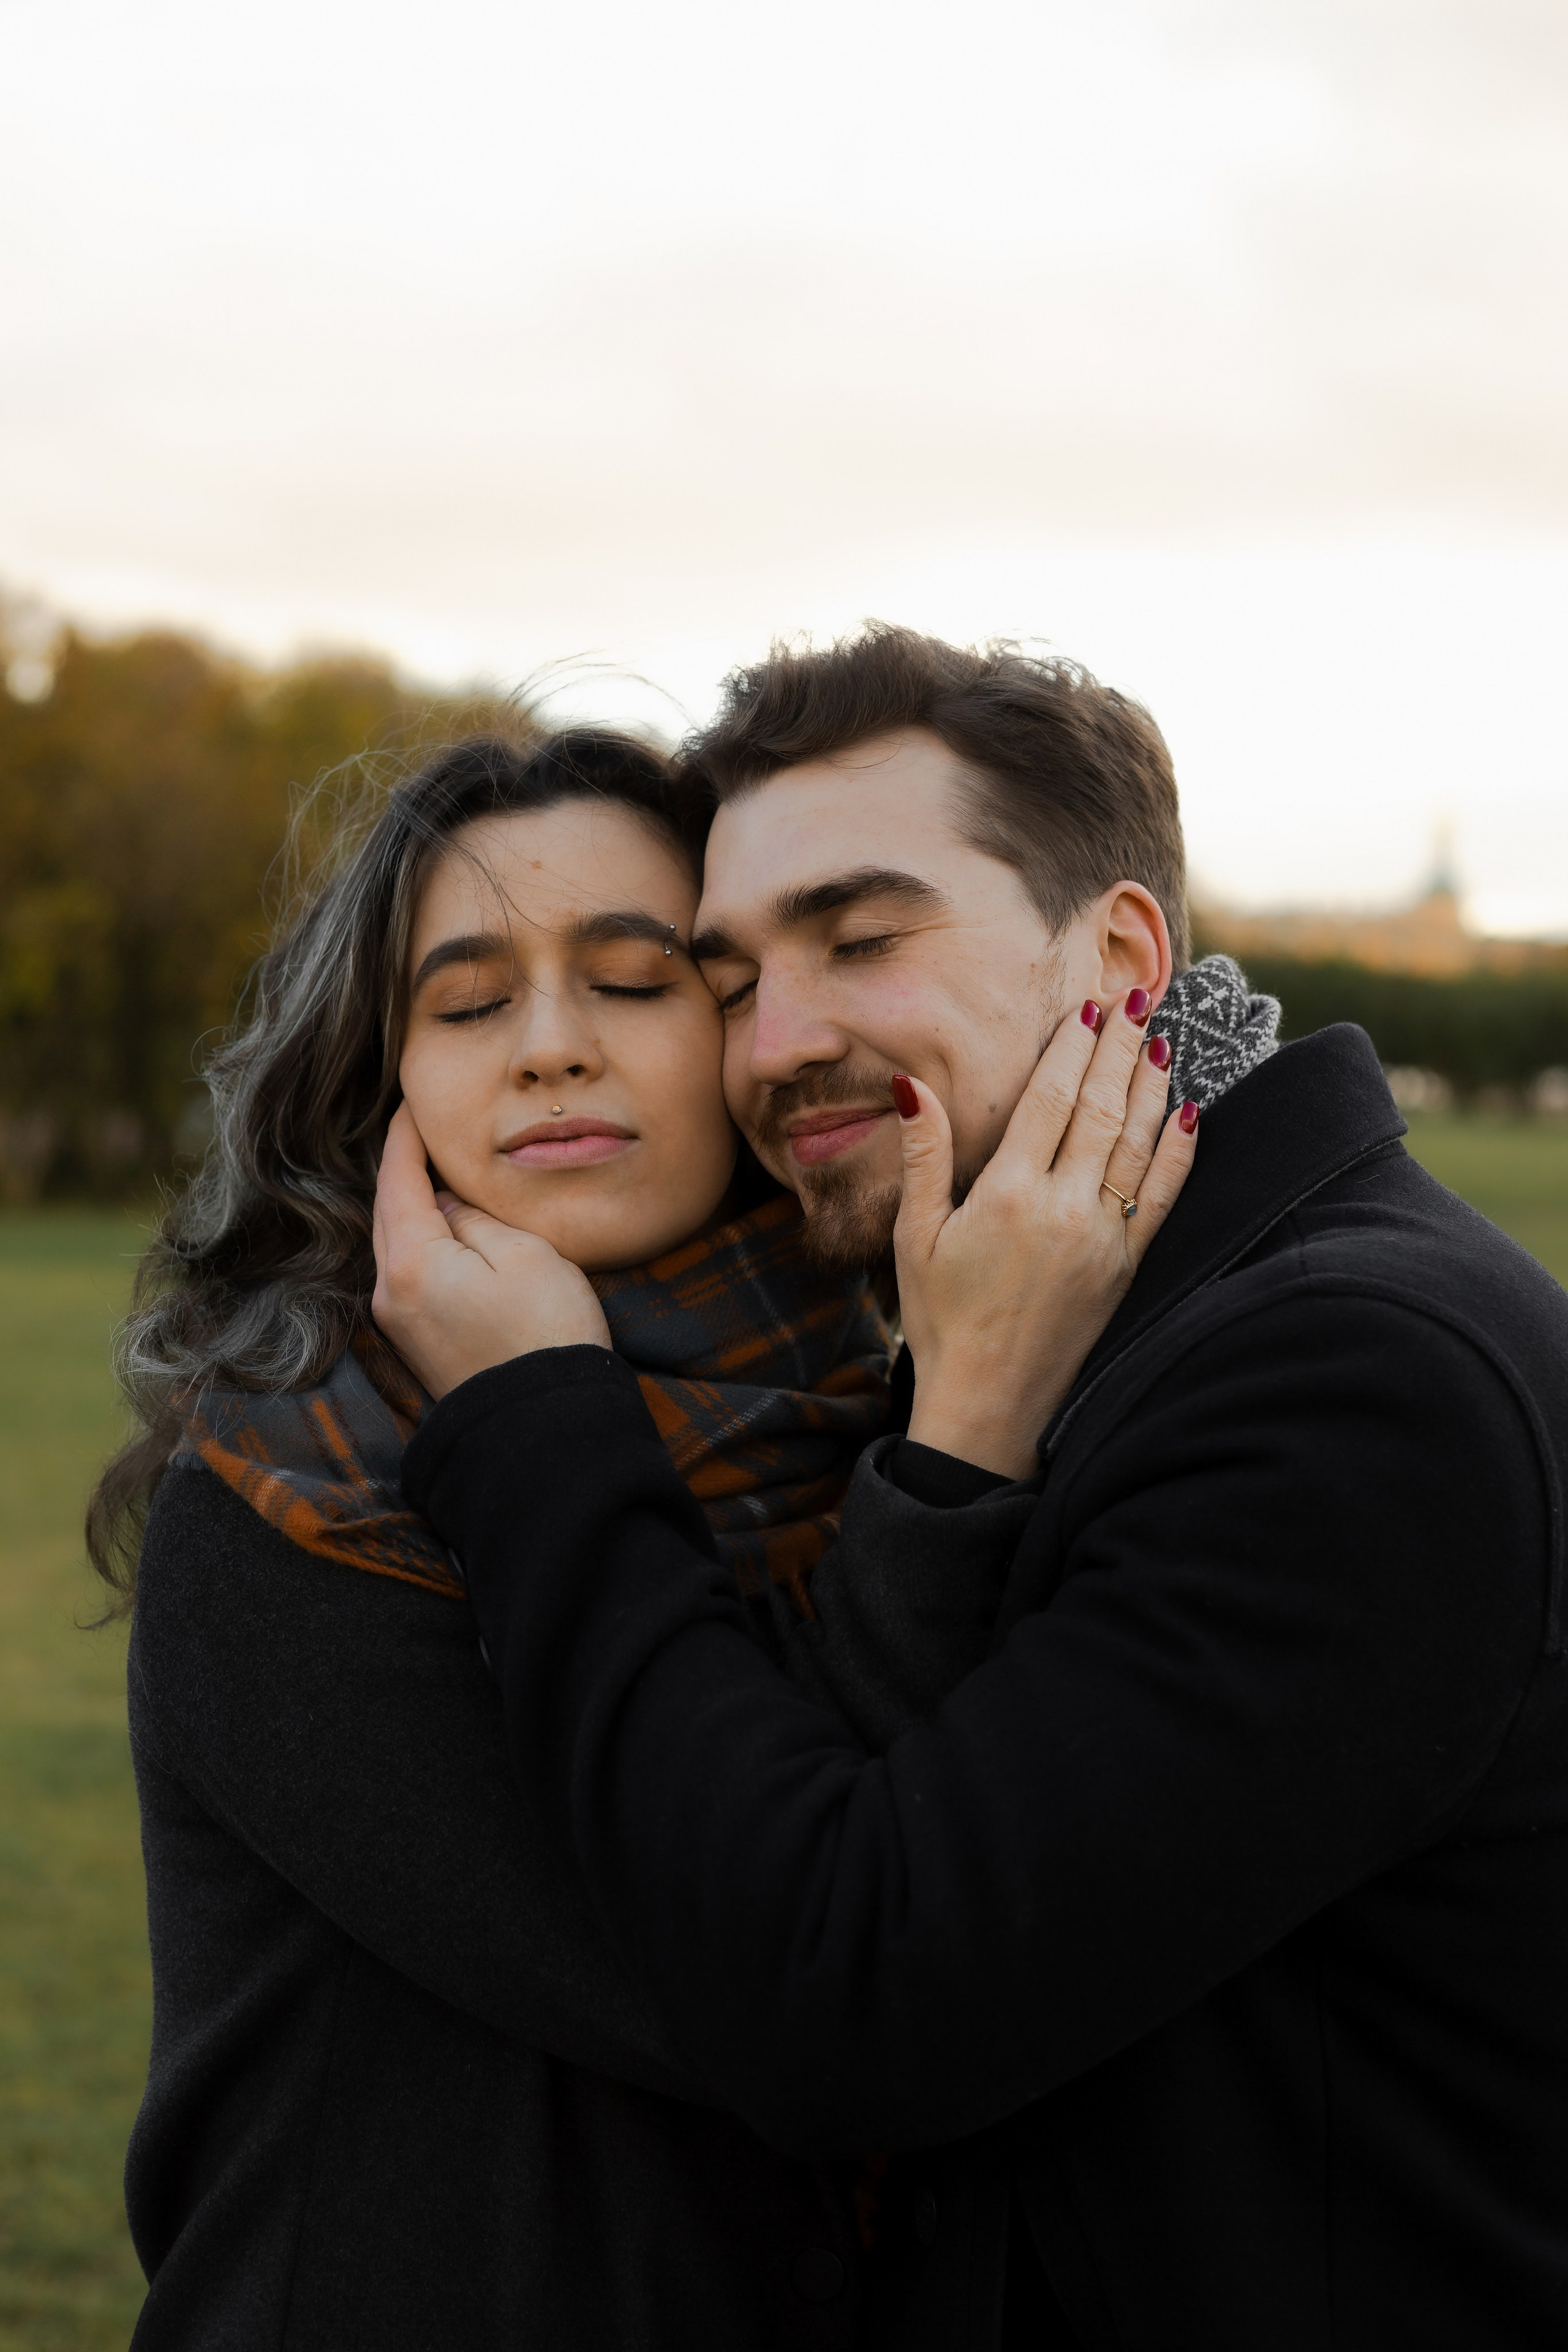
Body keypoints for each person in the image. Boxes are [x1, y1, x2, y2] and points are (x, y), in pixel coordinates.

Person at [376, 625, 1568, 2352]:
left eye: (860, 939)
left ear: (1125, 951)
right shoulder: (1098, 1318)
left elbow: (843, 1998)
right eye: (726, 980)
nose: (775, 1045)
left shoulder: (1353, 1386)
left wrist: (540, 1421)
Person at [92, 721, 1191, 2350]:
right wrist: (962, 1455)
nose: (548, 1046)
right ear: (382, 1077)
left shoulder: (866, 1414)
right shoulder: (289, 1510)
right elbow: (774, 1977)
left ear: (752, 1032)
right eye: (466, 1002)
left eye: (635, 979)